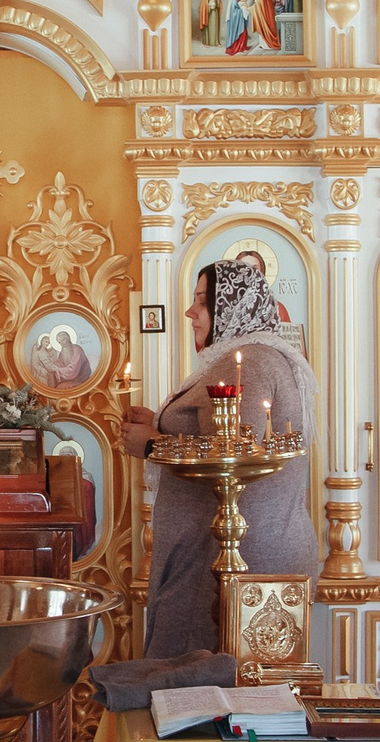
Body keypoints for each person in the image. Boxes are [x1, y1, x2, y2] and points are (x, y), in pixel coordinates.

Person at [122, 260, 319, 658]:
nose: (189, 313)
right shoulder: (246, 357)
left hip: (233, 559)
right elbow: (219, 434)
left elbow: (234, 455)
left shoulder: (249, 362)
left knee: (208, 691)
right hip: (223, 552)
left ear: (232, 308)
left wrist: (152, 445)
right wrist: (160, 424)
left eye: (201, 302)